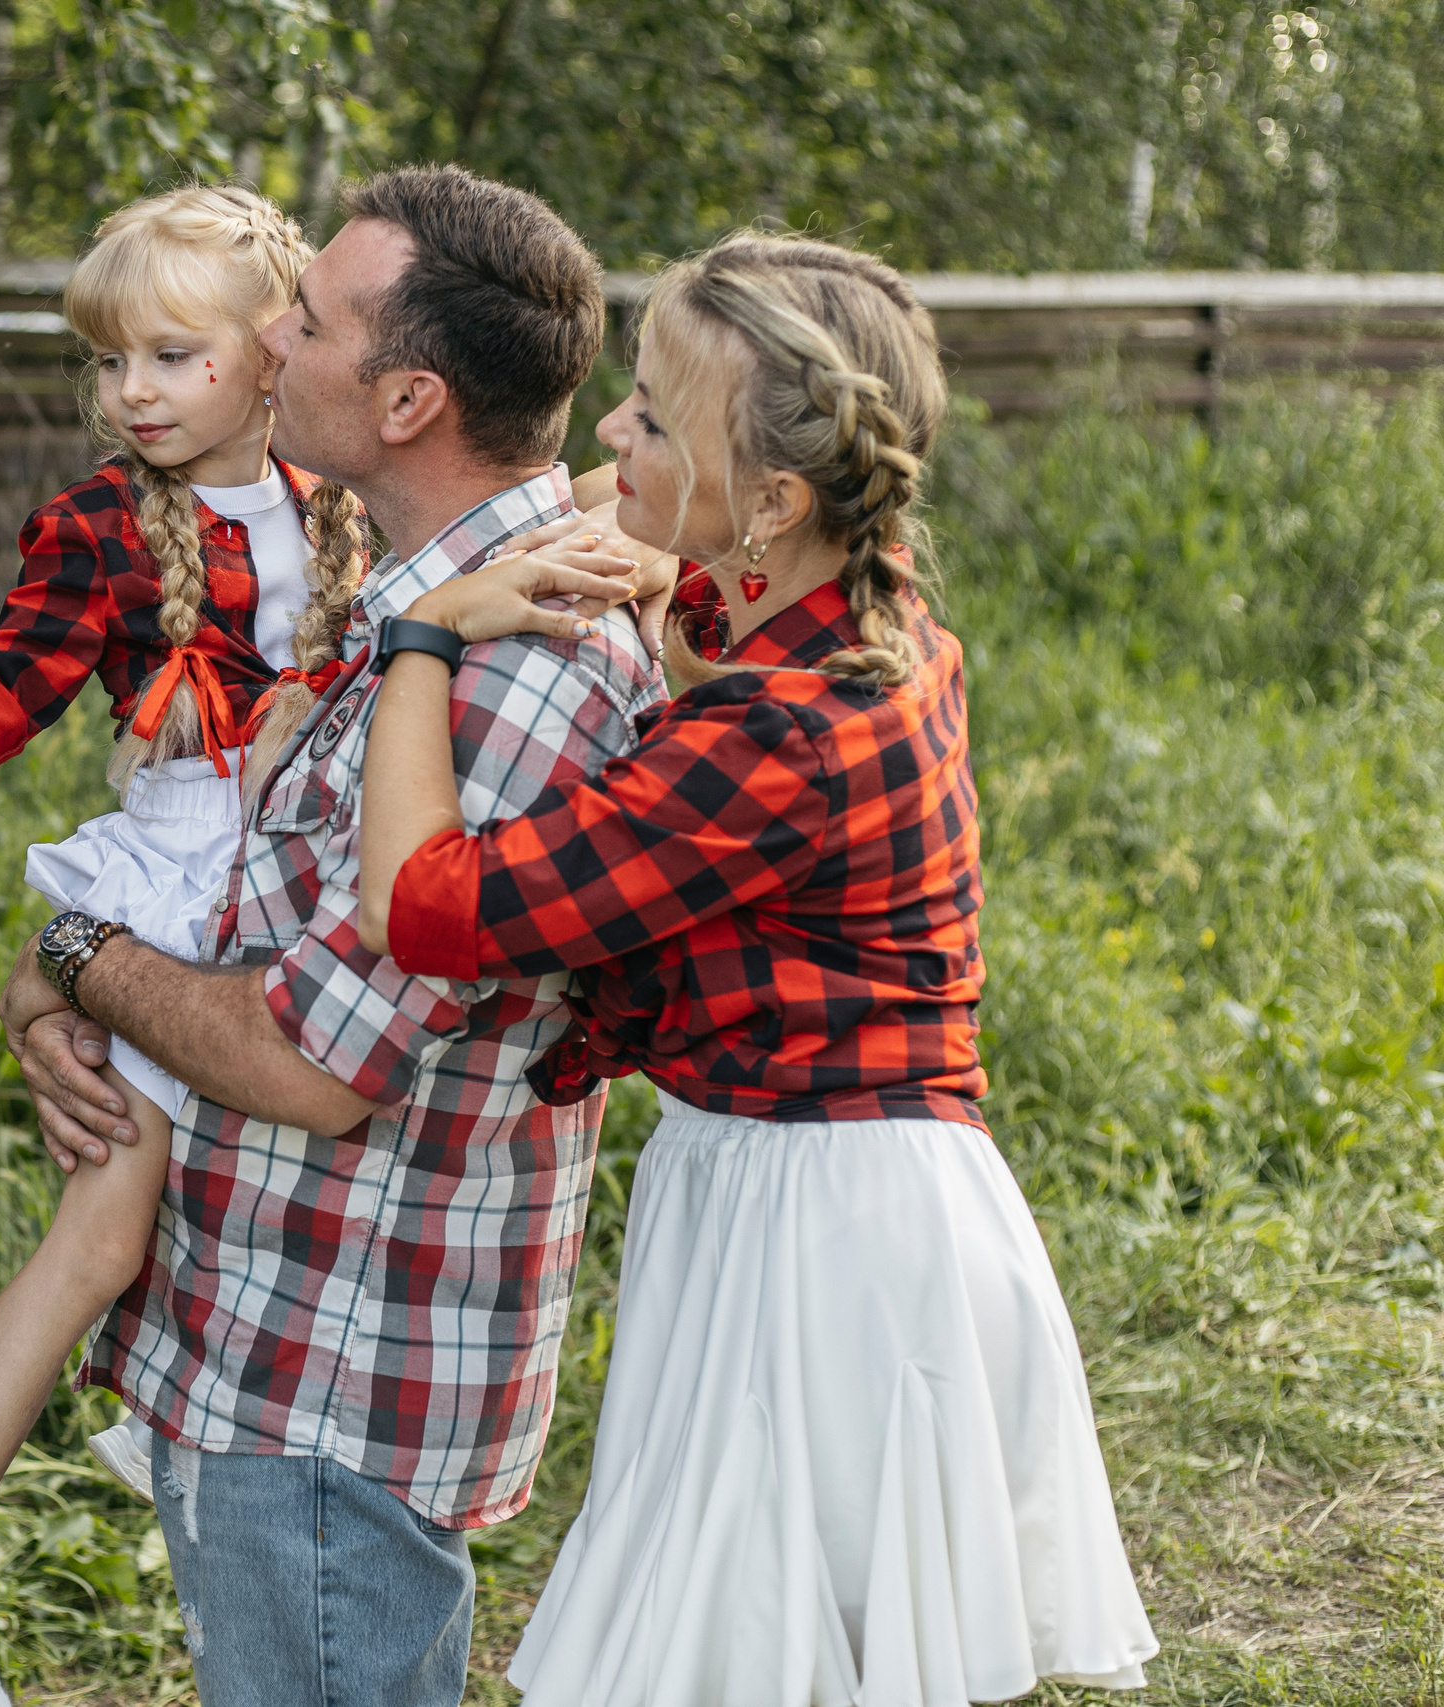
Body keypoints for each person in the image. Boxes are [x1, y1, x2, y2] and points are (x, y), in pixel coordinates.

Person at [352, 232, 1160, 1705]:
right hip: (848, 1189)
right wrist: (644, 525)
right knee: (786, 1652)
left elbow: (426, 905)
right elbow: (689, 578)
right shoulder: (879, 620)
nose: (610, 430)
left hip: (822, 1233)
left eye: (654, 415)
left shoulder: (773, 742)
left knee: (759, 1652)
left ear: (776, 499)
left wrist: (421, 635)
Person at [0, 165, 664, 1707]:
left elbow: (315, 1064)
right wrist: (65, 995)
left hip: (331, 1389)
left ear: (411, 398)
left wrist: (77, 956)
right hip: (274, 1345)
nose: (270, 341)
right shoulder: (421, 609)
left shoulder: (512, 677)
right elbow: (257, 919)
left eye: (304, 320)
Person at [0, 184, 374, 1707]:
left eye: (171, 358)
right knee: (104, 1234)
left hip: (303, 880)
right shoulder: (105, 525)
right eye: (110, 365)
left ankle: (170, 1419)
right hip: (174, 890)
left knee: (246, 1200)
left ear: (270, 352)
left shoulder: (345, 495)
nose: (132, 394)